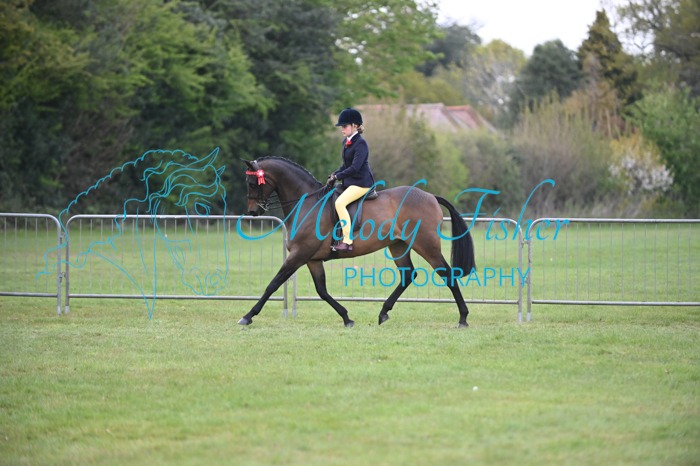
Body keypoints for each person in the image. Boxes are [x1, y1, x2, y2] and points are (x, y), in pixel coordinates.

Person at [327, 107, 376, 252]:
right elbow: (345, 166)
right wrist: (334, 174)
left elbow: (354, 168)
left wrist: (338, 177)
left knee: (340, 203)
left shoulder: (361, 144)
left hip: (361, 184)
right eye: (341, 126)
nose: (342, 129)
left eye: (345, 126)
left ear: (355, 125)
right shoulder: (346, 142)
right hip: (350, 183)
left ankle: (347, 241)